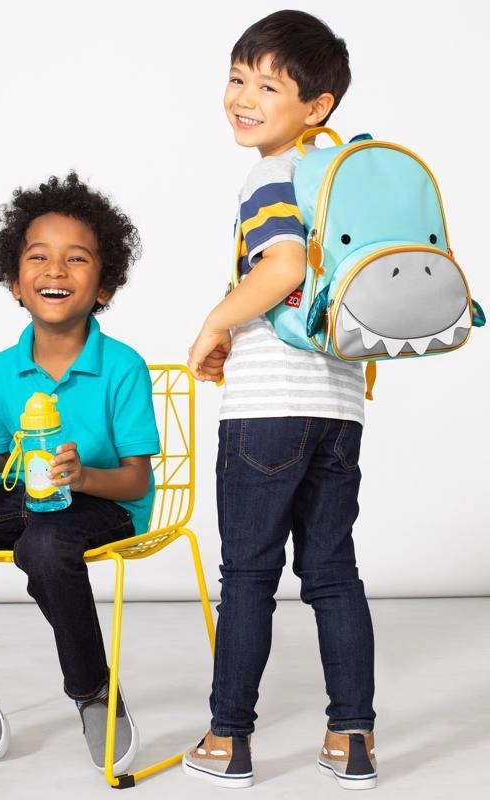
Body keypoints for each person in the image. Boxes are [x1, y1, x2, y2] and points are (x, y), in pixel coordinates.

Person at [0, 173, 160, 772]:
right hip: (23, 499)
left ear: (104, 286)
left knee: (43, 548)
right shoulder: (0, 370)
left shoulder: (123, 367)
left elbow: (136, 483)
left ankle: (92, 689)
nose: (56, 270)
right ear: (16, 283)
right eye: (38, 257)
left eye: (77, 258)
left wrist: (83, 478)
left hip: (104, 503)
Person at [183, 10, 376, 790]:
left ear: (316, 104)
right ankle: (352, 739)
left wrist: (214, 323)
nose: (243, 98)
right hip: (339, 404)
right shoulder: (342, 175)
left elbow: (285, 267)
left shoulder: (274, 174)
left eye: (268, 86)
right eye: (237, 79)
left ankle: (227, 740)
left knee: (249, 577)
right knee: (332, 573)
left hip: (267, 405)